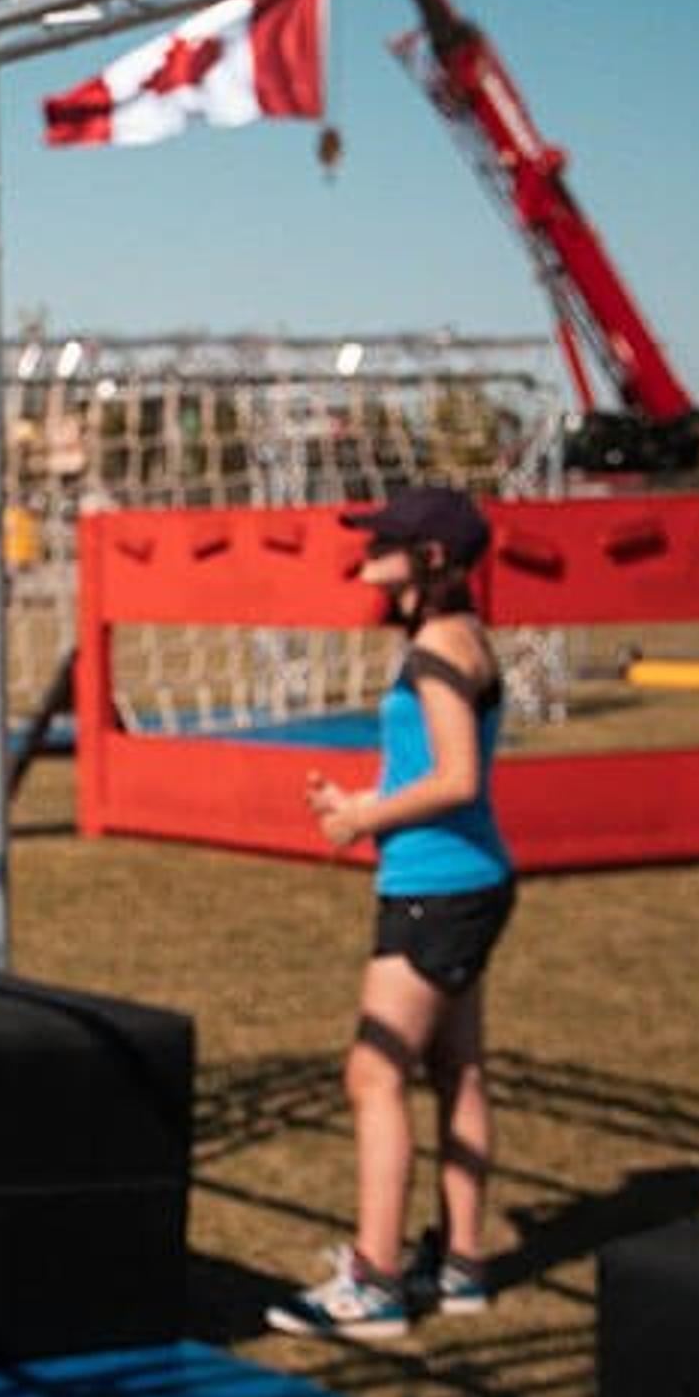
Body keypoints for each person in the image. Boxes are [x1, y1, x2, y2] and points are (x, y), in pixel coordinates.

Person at [272, 484, 514, 1342]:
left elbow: (457, 777)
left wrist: (362, 818)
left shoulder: (436, 651)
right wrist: (361, 801)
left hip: (434, 890)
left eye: (387, 542)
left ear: (432, 559)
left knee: (373, 1074)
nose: (368, 552)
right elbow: (432, 767)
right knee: (457, 1069)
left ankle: (375, 1281)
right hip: (464, 879)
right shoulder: (460, 637)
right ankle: (461, 1265)